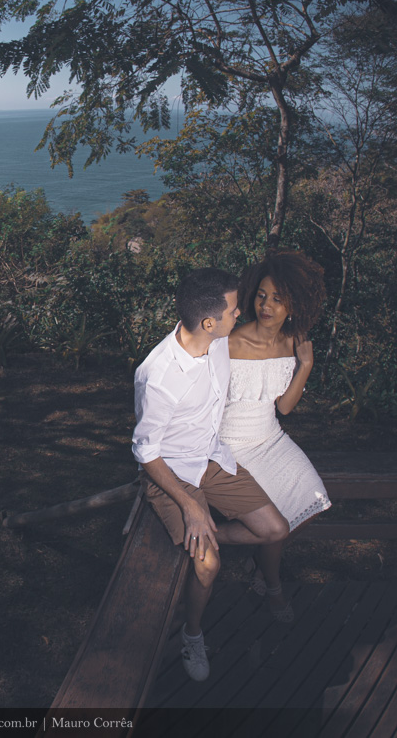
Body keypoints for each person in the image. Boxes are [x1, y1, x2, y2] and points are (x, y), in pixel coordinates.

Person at [132, 267, 290, 682]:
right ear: (208, 322)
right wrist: (190, 507)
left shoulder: (216, 342)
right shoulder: (158, 377)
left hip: (213, 459)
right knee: (207, 566)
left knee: (275, 530)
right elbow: (145, 453)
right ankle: (192, 634)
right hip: (171, 472)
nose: (240, 315)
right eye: (234, 311)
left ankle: (206, 541)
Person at [221, 251, 330, 623]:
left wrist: (306, 365)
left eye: (278, 299)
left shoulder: (293, 341)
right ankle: (272, 585)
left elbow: (284, 407)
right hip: (232, 445)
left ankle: (261, 562)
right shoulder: (229, 343)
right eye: (262, 295)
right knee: (276, 524)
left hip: (270, 437)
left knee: (315, 498)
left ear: (294, 305)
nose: (266, 305)